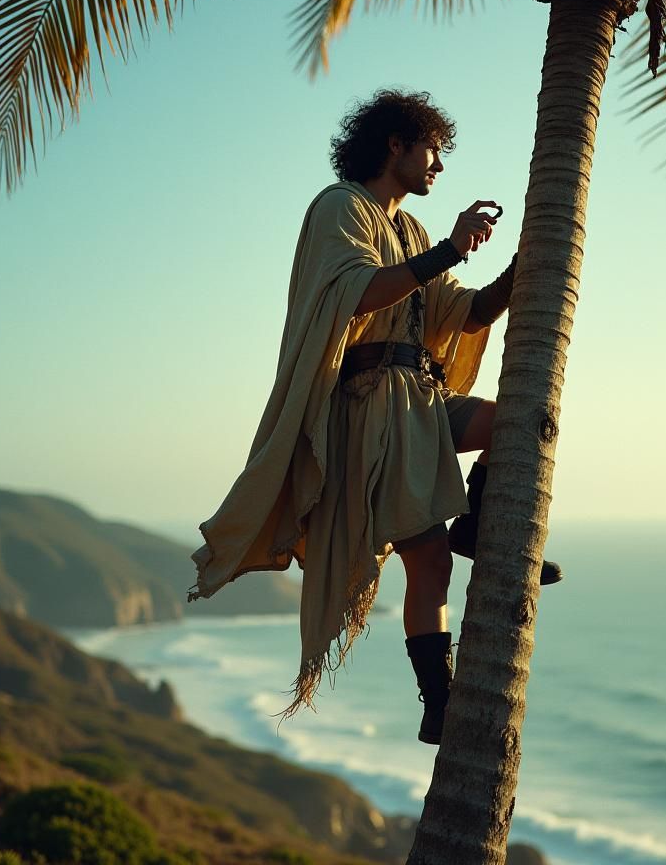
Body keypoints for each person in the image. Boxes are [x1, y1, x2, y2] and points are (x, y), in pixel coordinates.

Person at [188, 89, 561, 744]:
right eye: (433, 151)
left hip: (420, 397)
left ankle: (474, 527)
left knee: (514, 422)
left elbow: (463, 316)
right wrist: (448, 250)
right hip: (370, 411)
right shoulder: (341, 207)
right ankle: (437, 703)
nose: (438, 167)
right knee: (429, 564)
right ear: (396, 144)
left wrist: (520, 269)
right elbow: (357, 293)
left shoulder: (411, 230)